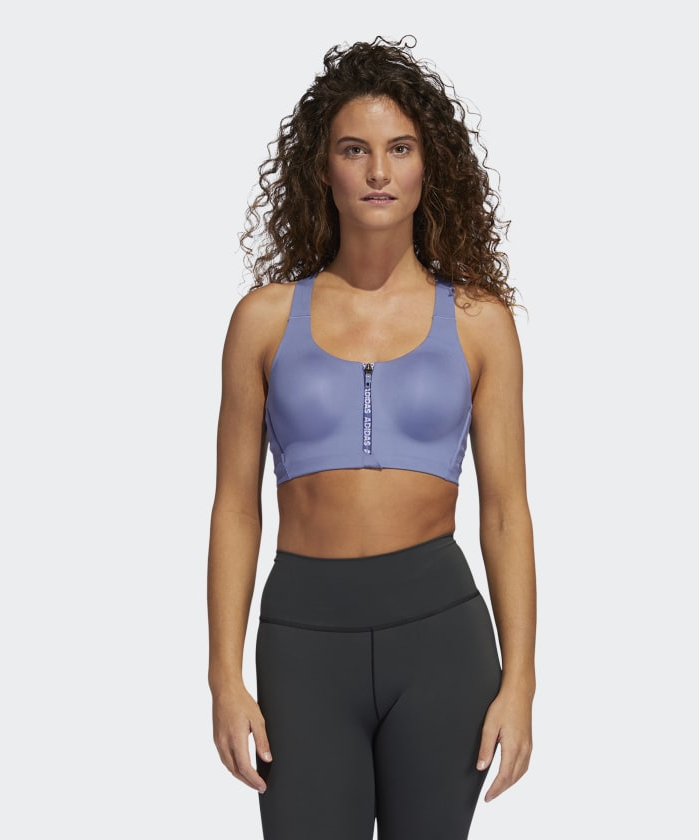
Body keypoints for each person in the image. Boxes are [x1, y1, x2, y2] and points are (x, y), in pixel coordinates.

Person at [207, 35, 536, 840]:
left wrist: (522, 680)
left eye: (400, 149)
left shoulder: (480, 323)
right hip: (303, 641)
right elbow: (236, 508)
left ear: (430, 167)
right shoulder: (263, 320)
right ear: (324, 169)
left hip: (441, 638)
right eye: (355, 150)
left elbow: (505, 513)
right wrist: (223, 675)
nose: (378, 171)